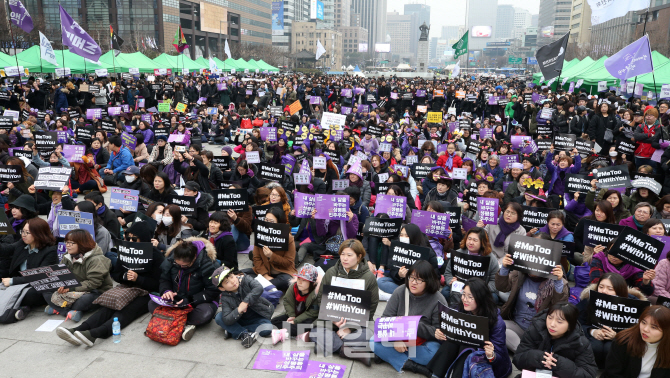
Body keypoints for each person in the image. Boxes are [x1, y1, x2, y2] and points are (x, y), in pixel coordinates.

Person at [56, 221, 165, 346]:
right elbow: (116, 273)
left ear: (144, 238)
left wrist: (138, 279)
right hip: (127, 288)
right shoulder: (126, 250)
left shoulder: (156, 256)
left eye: (134, 239)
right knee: (108, 306)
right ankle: (78, 329)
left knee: (126, 311)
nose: (130, 241)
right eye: (127, 238)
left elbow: (159, 284)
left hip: (148, 293)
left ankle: (94, 334)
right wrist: (125, 276)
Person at [309, 239, 378, 365]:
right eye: (342, 254)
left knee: (369, 335)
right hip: (331, 321)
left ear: (359, 257)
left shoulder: (368, 277)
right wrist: (333, 319)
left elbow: (372, 306)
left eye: (349, 255)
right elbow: (321, 298)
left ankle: (328, 345)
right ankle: (349, 351)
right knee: (315, 332)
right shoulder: (331, 272)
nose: (345, 258)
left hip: (357, 323)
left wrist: (349, 328)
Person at [370, 260, 445, 376]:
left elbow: (437, 332)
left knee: (433, 353)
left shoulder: (438, 299)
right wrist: (396, 339)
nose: (413, 282)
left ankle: (388, 356)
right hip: (400, 337)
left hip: (423, 342)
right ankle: (414, 367)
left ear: (428, 281)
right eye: (411, 277)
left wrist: (413, 326)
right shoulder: (400, 291)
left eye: (419, 279)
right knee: (373, 342)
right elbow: (385, 320)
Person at [496, 235, 569, 352]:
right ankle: (525, 352)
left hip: (539, 331)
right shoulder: (519, 273)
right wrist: (504, 268)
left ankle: (525, 353)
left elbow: (560, 307)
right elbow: (501, 287)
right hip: (517, 325)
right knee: (496, 326)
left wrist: (558, 282)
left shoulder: (557, 282)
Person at [428, 278, 512, 378]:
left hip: (486, 363)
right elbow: (447, 342)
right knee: (452, 342)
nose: (465, 299)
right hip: (462, 353)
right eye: (463, 294)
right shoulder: (459, 310)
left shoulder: (497, 322)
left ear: (481, 299)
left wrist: (491, 355)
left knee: (467, 346)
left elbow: (500, 356)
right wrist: (441, 335)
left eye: (470, 297)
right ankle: (436, 375)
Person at [151, 238, 219, 341]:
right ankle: (183, 322)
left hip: (198, 302)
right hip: (176, 299)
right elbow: (164, 279)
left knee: (205, 314)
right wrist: (166, 291)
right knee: (151, 304)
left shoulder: (207, 264)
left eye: (185, 265)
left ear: (194, 258)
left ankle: (170, 319)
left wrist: (190, 300)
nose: (181, 267)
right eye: (178, 264)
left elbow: (213, 291)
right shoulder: (171, 260)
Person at [577, 272, 649, 368]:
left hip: (619, 339)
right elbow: (577, 322)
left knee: (610, 347)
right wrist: (592, 331)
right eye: (601, 287)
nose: (604, 291)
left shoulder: (634, 304)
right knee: (595, 346)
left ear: (620, 290)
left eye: (610, 289)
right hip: (593, 336)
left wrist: (618, 336)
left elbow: (636, 331)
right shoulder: (589, 299)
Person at [513, 302, 598, 378]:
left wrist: (559, 364)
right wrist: (539, 358)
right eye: (550, 318)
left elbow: (588, 374)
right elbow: (518, 360)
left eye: (559, 322)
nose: (552, 324)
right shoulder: (535, 330)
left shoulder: (581, 342)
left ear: (570, 325)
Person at [44, 229, 113, 322]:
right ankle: (69, 311)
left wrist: (70, 288)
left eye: (71, 243)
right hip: (72, 289)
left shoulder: (97, 259)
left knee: (84, 301)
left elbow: (93, 284)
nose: (67, 245)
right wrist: (60, 284)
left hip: (94, 291)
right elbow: (61, 274)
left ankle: (60, 307)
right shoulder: (67, 256)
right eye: (66, 242)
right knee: (45, 289)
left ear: (82, 244)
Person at [0, 218, 58, 323]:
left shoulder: (50, 251)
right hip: (19, 282)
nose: (23, 235)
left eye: (27, 232)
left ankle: (19, 307)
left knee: (30, 294)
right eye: (23, 231)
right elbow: (5, 250)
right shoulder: (22, 244)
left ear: (38, 233)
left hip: (37, 285)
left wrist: (13, 281)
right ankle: (22, 307)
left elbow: (40, 276)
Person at [213, 265, 274, 347]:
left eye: (231, 276)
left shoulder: (245, 279)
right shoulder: (225, 297)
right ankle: (244, 334)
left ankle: (234, 330)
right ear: (222, 288)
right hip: (239, 319)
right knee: (219, 317)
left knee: (268, 327)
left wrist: (245, 302)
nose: (232, 281)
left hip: (257, 317)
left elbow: (258, 288)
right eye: (227, 282)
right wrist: (239, 310)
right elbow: (227, 319)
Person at [603, 305, 670, 378]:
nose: (645, 329)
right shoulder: (623, 341)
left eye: (653, 327)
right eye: (643, 322)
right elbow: (612, 373)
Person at [377, 224, 439, 298]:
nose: (403, 238)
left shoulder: (427, 252)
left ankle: (400, 296)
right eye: (401, 235)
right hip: (402, 283)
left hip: (419, 285)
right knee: (381, 281)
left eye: (406, 236)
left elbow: (436, 276)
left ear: (414, 236)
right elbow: (392, 271)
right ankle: (405, 295)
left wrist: (417, 276)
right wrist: (399, 275)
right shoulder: (398, 248)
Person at [442, 227, 500, 305]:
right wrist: (451, 281)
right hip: (460, 287)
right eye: (469, 239)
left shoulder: (491, 259)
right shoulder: (458, 253)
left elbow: (495, 281)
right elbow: (448, 273)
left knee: (493, 298)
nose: (471, 242)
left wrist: (483, 288)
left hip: (480, 291)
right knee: (445, 292)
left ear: (482, 242)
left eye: (475, 240)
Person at [244, 207, 296, 291]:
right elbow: (256, 258)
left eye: (271, 222)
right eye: (266, 220)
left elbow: (288, 262)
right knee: (240, 274)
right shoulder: (260, 234)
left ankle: (256, 287)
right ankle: (262, 286)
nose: (267, 223)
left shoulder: (288, 238)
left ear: (279, 223)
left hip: (282, 272)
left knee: (287, 281)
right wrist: (265, 275)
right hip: (264, 271)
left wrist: (272, 256)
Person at [590, 238, 656, 296]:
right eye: (611, 251)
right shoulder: (599, 259)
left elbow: (648, 292)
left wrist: (646, 281)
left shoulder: (634, 266)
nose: (614, 256)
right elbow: (596, 282)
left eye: (618, 253)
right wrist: (628, 291)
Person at [271, 264, 320, 340]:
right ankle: (298, 333)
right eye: (299, 279)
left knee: (310, 324)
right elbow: (287, 301)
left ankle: (284, 333)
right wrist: (292, 315)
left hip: (307, 317)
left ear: (312, 283)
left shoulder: (316, 293)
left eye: (304, 280)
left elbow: (312, 313)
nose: (299, 282)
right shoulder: (293, 287)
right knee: (274, 321)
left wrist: (295, 321)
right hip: (295, 314)